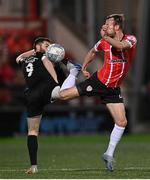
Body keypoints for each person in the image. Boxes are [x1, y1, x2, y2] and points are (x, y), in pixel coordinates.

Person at [56, 14, 137, 171]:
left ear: (117, 27)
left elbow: (121, 46)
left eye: (108, 24)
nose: (105, 27)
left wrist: (105, 36)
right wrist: (84, 68)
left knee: (122, 122)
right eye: (104, 24)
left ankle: (108, 154)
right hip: (98, 82)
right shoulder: (104, 42)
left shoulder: (131, 39)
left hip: (113, 88)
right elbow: (92, 52)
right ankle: (73, 72)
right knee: (63, 95)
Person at [16, 37, 81, 174]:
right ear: (39, 46)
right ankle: (75, 73)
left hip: (31, 95)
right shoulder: (45, 57)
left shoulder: (24, 60)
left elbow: (19, 57)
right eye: (47, 45)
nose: (50, 48)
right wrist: (57, 81)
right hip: (46, 89)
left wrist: (35, 50)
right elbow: (49, 68)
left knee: (32, 132)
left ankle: (33, 166)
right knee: (65, 93)